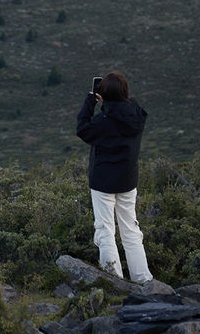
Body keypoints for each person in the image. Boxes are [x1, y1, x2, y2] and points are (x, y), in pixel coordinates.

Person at [76, 71, 153, 284]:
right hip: (128, 180)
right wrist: (108, 103)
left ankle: (114, 282)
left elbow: (83, 129)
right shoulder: (136, 113)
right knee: (131, 229)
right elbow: (121, 113)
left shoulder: (103, 122)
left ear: (103, 95)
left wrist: (90, 102)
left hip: (103, 182)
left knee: (105, 231)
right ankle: (144, 279)